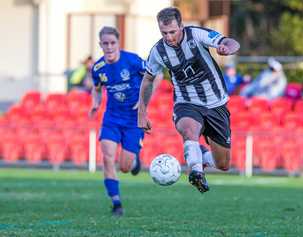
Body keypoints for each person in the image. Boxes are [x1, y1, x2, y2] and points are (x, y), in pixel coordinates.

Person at [137, 7, 240, 193]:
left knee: (223, 164)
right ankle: (196, 172)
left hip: (216, 103)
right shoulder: (158, 51)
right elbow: (148, 80)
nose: (169, 37)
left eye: (172, 32)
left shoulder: (196, 34)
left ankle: (199, 155)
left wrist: (226, 49)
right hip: (187, 102)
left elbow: (230, 42)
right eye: (164, 33)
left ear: (181, 26)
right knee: (188, 128)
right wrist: (142, 113)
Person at [89, 26, 162, 216]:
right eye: (105, 43)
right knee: (107, 158)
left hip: (133, 120)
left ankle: (135, 160)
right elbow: (96, 89)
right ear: (100, 45)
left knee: (125, 167)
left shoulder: (132, 60)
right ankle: (116, 203)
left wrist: (144, 100)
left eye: (112, 43)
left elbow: (157, 75)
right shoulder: (98, 68)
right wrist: (95, 104)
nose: (109, 47)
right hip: (111, 118)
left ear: (118, 43)